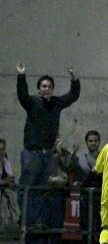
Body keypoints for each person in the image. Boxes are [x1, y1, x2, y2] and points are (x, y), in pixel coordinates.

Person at [16, 63, 80, 233]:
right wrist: (21, 75)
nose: (47, 89)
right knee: (28, 188)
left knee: (45, 190)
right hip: (32, 153)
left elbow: (73, 96)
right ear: (38, 89)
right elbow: (22, 95)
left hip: (48, 155)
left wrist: (75, 79)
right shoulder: (32, 103)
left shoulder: (57, 103)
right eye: (44, 86)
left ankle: (39, 221)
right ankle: (27, 220)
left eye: (50, 86)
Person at [76, 130, 102, 244]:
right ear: (86, 143)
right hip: (86, 199)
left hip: (101, 198)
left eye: (95, 141)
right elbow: (82, 178)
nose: (93, 143)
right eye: (90, 141)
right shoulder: (82, 158)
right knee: (87, 229)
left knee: (101, 229)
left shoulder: (104, 156)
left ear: (99, 142)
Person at [0, 139, 20, 232]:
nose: (1, 152)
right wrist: (5, 181)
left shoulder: (6, 162)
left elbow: (11, 179)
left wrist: (8, 181)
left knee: (11, 194)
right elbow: (6, 180)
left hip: (5, 190)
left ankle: (17, 219)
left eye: (3, 149)